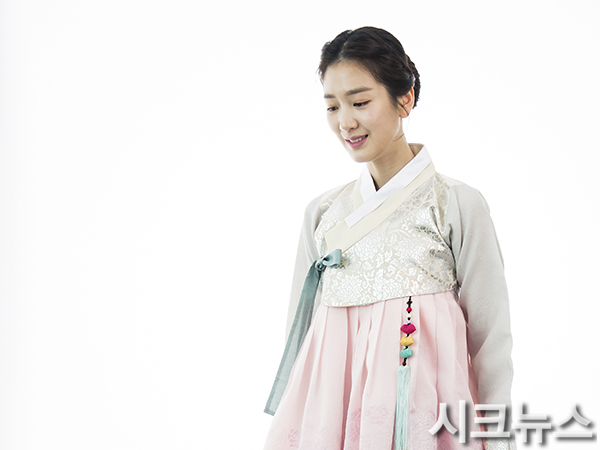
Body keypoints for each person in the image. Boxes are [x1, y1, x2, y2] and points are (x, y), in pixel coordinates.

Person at [263, 26, 515, 450]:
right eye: (332, 106)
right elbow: (300, 334)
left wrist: (499, 439)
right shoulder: (322, 214)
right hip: (334, 420)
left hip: (427, 416)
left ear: (405, 98)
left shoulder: (454, 204)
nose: (345, 122)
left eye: (360, 102)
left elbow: (490, 339)